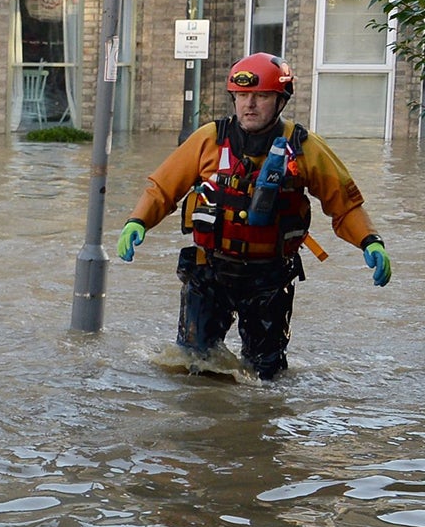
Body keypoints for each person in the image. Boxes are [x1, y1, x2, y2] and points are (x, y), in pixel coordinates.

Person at [117, 52, 392, 379]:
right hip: (210, 271)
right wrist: (137, 221)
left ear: (280, 101)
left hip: (270, 278)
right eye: (242, 95)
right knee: (193, 365)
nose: (249, 104)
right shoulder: (209, 140)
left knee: (266, 375)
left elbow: (344, 204)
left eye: (261, 96)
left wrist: (370, 241)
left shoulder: (304, 148)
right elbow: (162, 188)